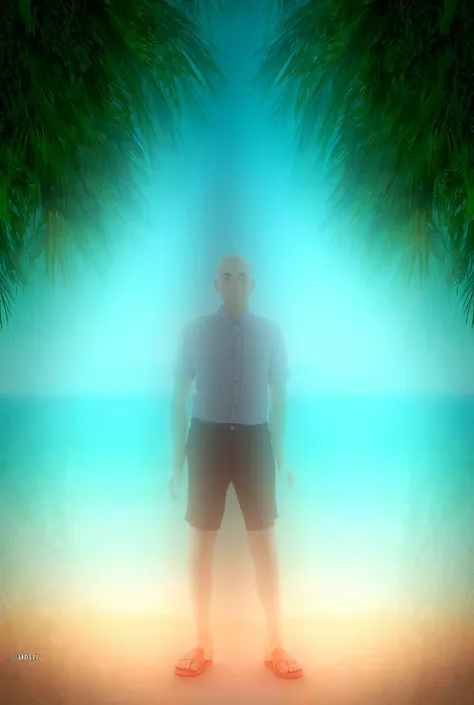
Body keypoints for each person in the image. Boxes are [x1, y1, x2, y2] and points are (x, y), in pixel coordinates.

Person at [169, 253, 303, 679]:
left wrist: (281, 458)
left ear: (253, 283)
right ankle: (202, 641)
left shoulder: (271, 332)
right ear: (216, 284)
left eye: (242, 276)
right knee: (200, 548)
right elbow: (179, 398)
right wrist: (176, 461)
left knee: (265, 546)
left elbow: (279, 401)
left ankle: (275, 644)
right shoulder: (193, 332)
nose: (235, 283)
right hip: (206, 440)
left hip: (253, 441)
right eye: (226, 276)